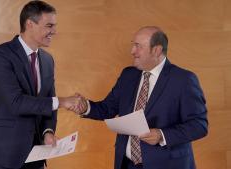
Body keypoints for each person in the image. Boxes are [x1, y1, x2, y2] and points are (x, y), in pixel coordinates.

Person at [73, 26, 208, 169]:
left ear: (157, 50)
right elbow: (107, 108)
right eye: (133, 45)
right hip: (127, 164)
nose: (132, 51)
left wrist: (161, 135)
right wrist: (85, 107)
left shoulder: (183, 80)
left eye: (138, 46)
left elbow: (199, 125)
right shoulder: (128, 75)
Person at [0, 1, 82, 169]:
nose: (54, 31)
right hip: (3, 153)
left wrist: (48, 132)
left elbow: (47, 102)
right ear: (30, 24)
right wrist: (62, 101)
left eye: (54, 26)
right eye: (49, 25)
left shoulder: (47, 60)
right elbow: (15, 103)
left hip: (35, 154)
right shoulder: (0, 55)